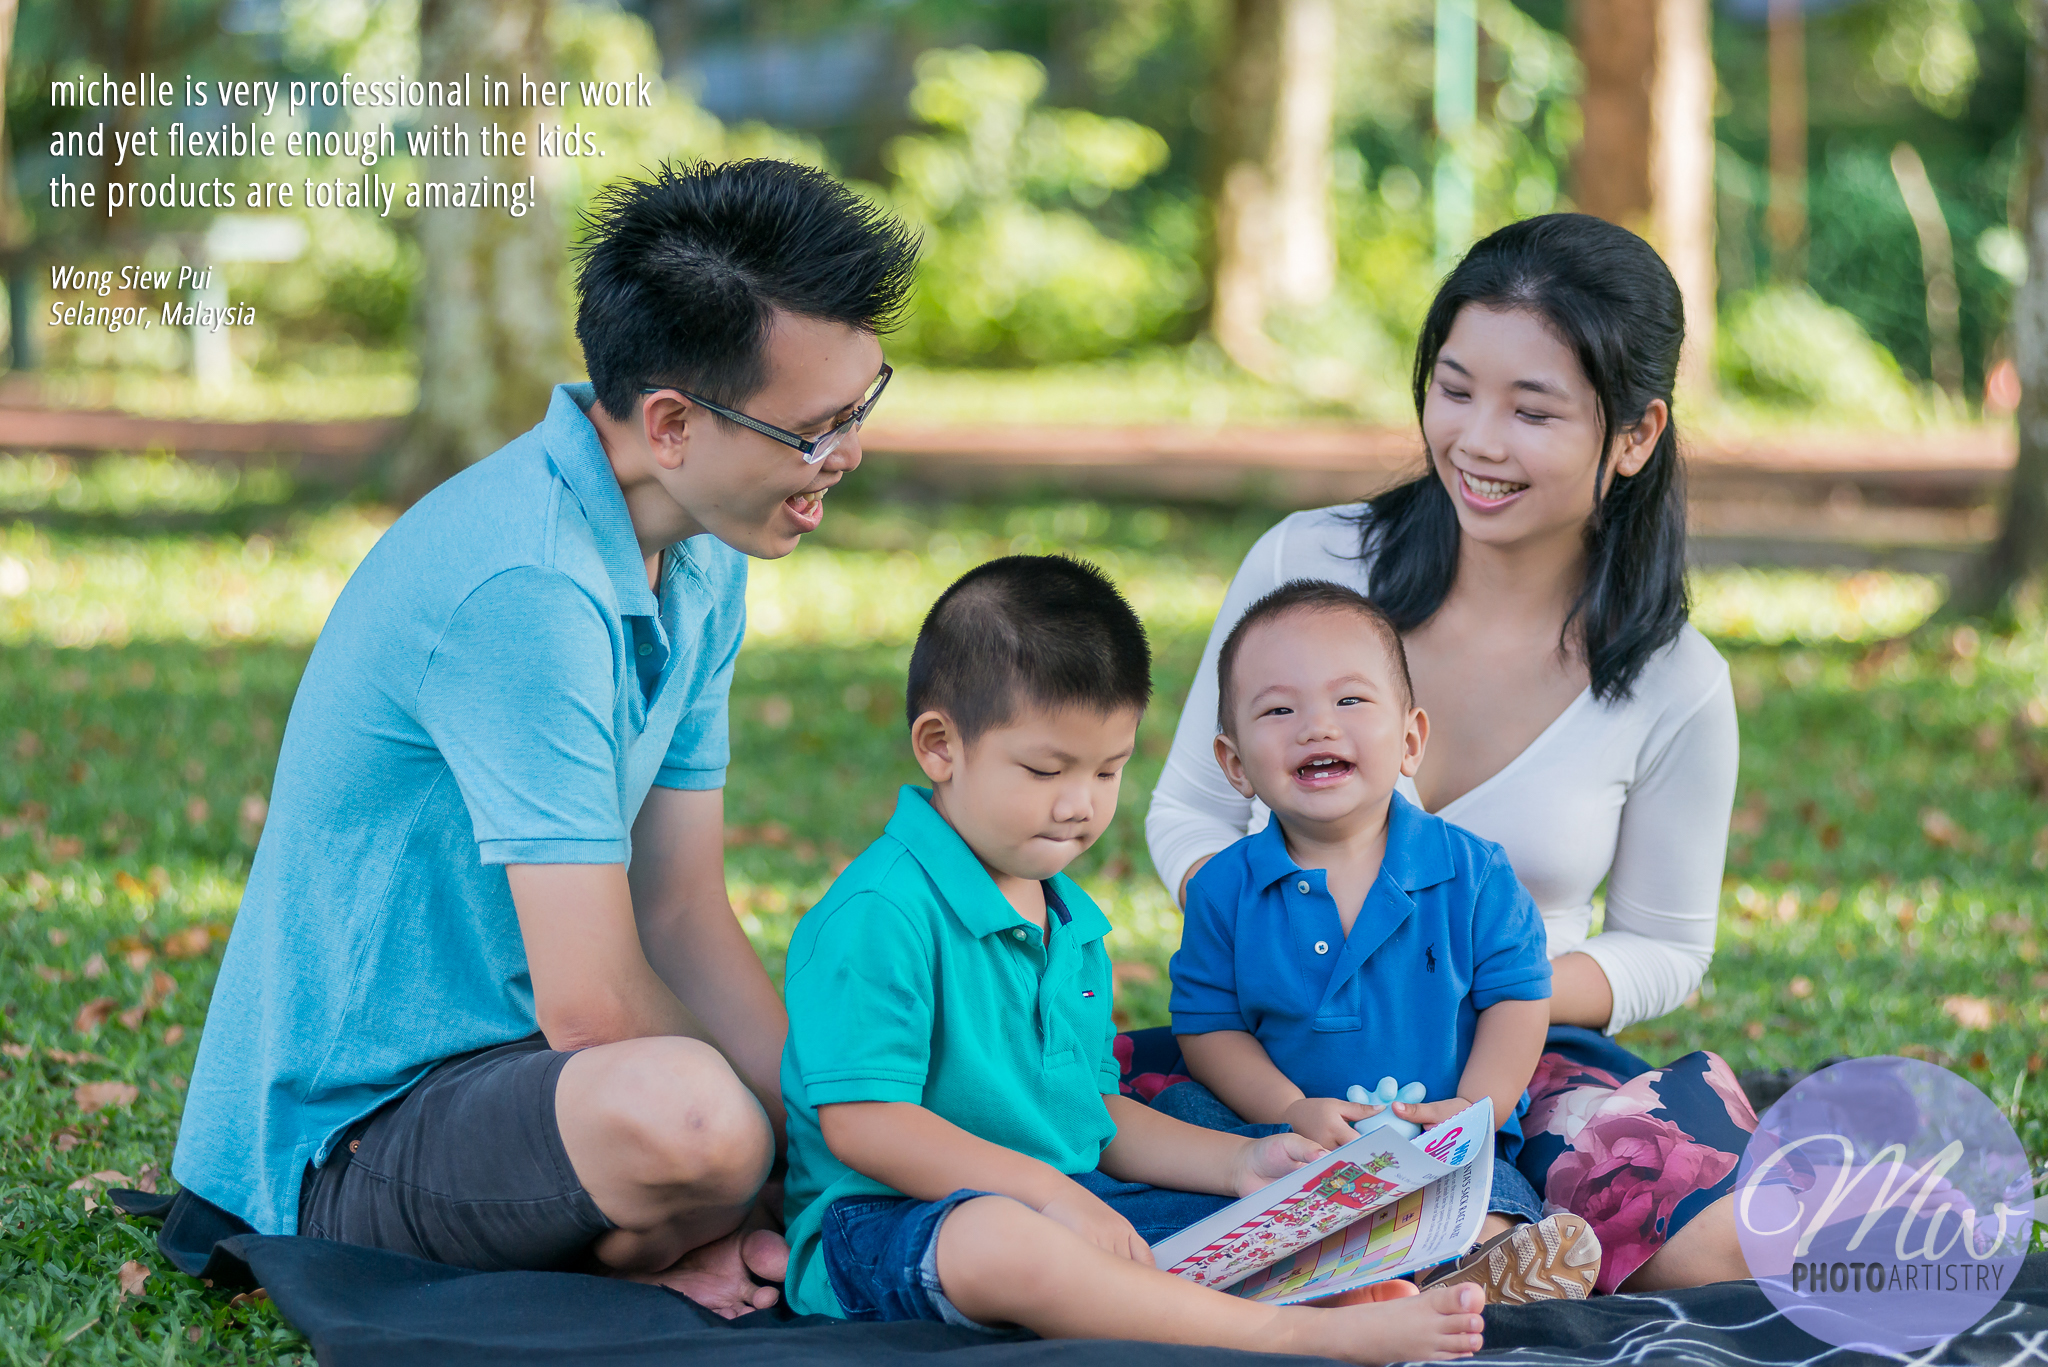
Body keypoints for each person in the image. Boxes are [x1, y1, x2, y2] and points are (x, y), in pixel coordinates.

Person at [170, 160, 918, 1314]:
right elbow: (597, 1007)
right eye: (816, 429)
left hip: (534, 1081)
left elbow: (681, 911)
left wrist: (848, 1132)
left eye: (859, 408)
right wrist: (821, 1167)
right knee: (699, 1120)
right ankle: (666, 1243)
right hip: (354, 1133)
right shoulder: (527, 583)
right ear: (671, 423)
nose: (848, 454)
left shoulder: (705, 550)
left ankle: (660, 1251)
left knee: (832, 1102)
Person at [1142, 213, 1755, 1294]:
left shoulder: (1674, 679)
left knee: (1716, 1242)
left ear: (1632, 433)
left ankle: (1462, 1251)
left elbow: (1664, 944)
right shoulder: (1309, 562)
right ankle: (1422, 1260)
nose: (1476, 439)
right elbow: (1188, 808)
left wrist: (1483, 991)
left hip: (1510, 1063)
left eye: (1532, 410)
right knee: (1070, 1142)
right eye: (1453, 387)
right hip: (1281, 1041)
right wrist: (1294, 947)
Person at [778, 556, 1488, 1362]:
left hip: (1071, 1198)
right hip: (886, 1222)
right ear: (942, 746)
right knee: (1006, 1239)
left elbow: (1089, 1115)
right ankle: (1297, 1333)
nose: (1080, 803)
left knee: (1223, 1221)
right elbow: (866, 1125)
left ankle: (1346, 1285)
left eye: (1108, 770)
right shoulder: (883, 912)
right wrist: (1046, 1194)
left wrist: (1244, 1163)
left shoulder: (1067, 916)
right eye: (1047, 770)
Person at [1168, 579, 1600, 1303]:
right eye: (1279, 709)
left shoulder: (1472, 870)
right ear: (1235, 761)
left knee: (1490, 1192)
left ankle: (1472, 1265)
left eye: (1349, 700)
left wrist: (1478, 1106)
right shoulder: (1225, 888)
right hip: (1296, 1147)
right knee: (1192, 1124)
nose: (1316, 726)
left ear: (1409, 740)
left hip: (1437, 1136)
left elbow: (1519, 999)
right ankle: (1333, 1277)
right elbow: (1210, 1029)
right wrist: (1289, 1106)